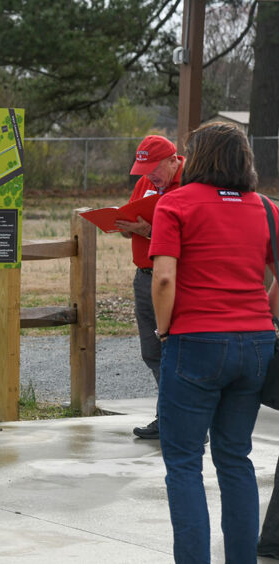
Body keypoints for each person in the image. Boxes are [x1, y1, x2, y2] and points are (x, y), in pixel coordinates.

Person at [149, 122, 275, 563]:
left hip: (195, 341)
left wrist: (165, 330)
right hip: (257, 343)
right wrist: (265, 309)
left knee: (184, 463)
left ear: (197, 158)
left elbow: (164, 277)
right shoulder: (265, 207)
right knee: (235, 458)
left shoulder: (175, 203)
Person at [115, 134, 184, 440]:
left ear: (173, 161)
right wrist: (127, 228)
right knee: (152, 351)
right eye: (144, 170)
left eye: (154, 169)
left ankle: (184, 419)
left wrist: (149, 230)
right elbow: (133, 216)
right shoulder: (146, 183)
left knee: (177, 350)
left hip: (175, 278)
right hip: (145, 275)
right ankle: (167, 415)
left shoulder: (191, 185)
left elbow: (190, 238)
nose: (149, 176)